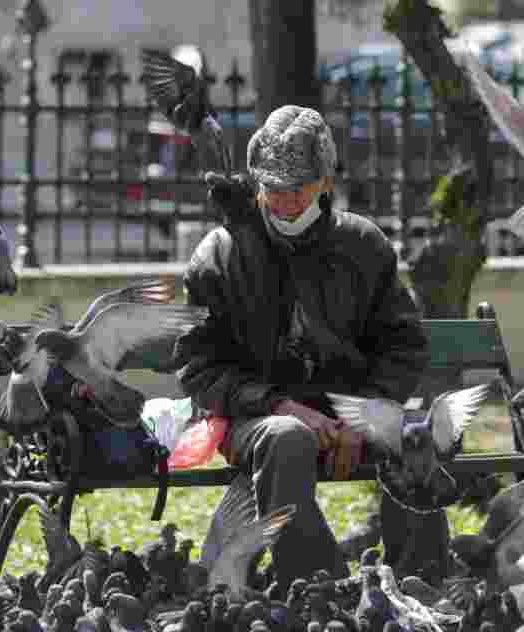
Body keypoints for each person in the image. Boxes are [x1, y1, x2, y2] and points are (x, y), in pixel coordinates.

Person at [174, 105, 445, 590]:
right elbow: (198, 371)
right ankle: (317, 592)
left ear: (325, 181)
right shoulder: (218, 255)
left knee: (415, 435)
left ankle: (422, 586)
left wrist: (363, 417)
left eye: (296, 188)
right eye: (272, 189)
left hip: (350, 411)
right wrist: (278, 404)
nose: (283, 202)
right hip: (254, 418)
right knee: (287, 436)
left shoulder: (364, 244)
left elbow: (403, 347)